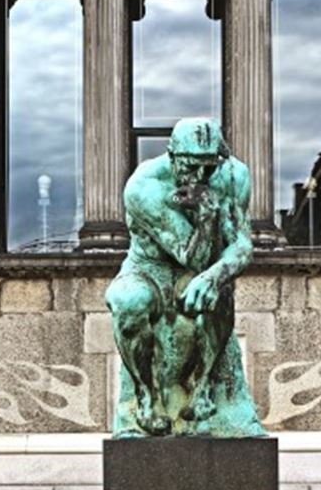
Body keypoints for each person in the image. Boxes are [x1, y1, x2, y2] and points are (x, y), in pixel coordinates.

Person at [106, 117, 265, 438]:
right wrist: (207, 216)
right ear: (172, 156)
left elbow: (242, 245)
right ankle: (146, 396)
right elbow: (190, 255)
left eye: (209, 167)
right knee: (128, 300)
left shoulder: (234, 175)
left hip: (202, 268)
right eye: (191, 167)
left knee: (218, 293)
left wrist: (214, 276)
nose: (200, 177)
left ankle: (204, 390)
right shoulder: (144, 187)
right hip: (149, 269)